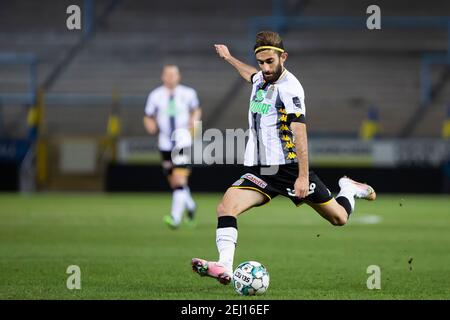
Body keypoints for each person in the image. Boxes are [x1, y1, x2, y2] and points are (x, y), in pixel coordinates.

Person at [191, 31, 376, 284]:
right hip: (261, 170)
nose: (265, 68)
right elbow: (250, 75)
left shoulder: (291, 89)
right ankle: (224, 266)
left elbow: (300, 134)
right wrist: (229, 58)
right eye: (261, 62)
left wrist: (302, 176)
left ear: (283, 57)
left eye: (270, 62)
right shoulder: (261, 78)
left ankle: (349, 188)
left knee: (339, 218)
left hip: (289, 169)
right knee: (226, 207)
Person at [144, 65, 201, 229]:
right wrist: (150, 125)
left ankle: (175, 218)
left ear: (179, 76)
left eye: (173, 74)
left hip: (183, 140)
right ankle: (190, 206)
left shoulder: (188, 93)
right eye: (167, 74)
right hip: (165, 142)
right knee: (174, 181)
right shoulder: (155, 95)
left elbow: (196, 110)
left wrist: (194, 122)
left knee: (179, 178)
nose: (170, 77)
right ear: (163, 76)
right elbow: (148, 116)